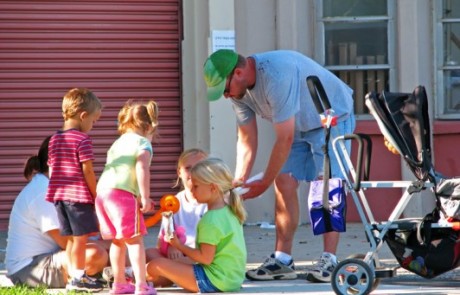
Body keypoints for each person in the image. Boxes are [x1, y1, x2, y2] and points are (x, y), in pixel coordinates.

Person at [203, 49, 355, 283]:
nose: (225, 96)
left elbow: (284, 139)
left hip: (331, 118)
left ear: (239, 73)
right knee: (283, 181)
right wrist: (239, 181)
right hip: (297, 125)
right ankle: (283, 260)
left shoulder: (276, 75)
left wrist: (262, 183)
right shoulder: (238, 94)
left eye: (224, 89)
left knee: (325, 186)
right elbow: (246, 139)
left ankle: (329, 259)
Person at [5, 136, 109, 289]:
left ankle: (112, 273)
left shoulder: (59, 188)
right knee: (96, 254)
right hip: (28, 269)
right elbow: (67, 242)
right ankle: (97, 274)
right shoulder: (42, 191)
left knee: (112, 249)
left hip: (52, 257)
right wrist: (105, 246)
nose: (84, 169)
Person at [146, 158, 247, 293]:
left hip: (213, 280)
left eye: (196, 186)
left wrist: (178, 245)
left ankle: (129, 276)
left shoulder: (211, 219)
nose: (191, 190)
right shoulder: (229, 211)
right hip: (231, 279)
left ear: (212, 187)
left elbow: (205, 258)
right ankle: (142, 280)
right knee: (173, 264)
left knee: (157, 264)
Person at [95, 100, 159, 295]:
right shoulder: (143, 143)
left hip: (103, 194)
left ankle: (120, 283)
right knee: (135, 240)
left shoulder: (117, 143)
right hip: (121, 196)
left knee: (118, 241)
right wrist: (146, 196)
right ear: (149, 126)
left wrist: (137, 196)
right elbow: (141, 167)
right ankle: (141, 285)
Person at [45, 88, 105, 292]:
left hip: (59, 197)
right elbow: (87, 170)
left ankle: (73, 276)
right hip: (77, 197)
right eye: (94, 121)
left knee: (71, 239)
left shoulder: (54, 139)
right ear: (83, 115)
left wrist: (54, 193)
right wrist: (96, 194)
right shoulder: (82, 140)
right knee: (81, 239)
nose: (92, 126)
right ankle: (80, 277)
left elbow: (52, 169)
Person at [145, 148, 208, 287]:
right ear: (179, 172)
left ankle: (133, 276)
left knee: (159, 265)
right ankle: (160, 276)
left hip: (199, 257)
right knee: (150, 253)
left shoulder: (212, 202)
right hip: (177, 256)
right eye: (188, 168)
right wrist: (172, 246)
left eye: (199, 168)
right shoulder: (173, 202)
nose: (193, 173)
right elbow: (161, 242)